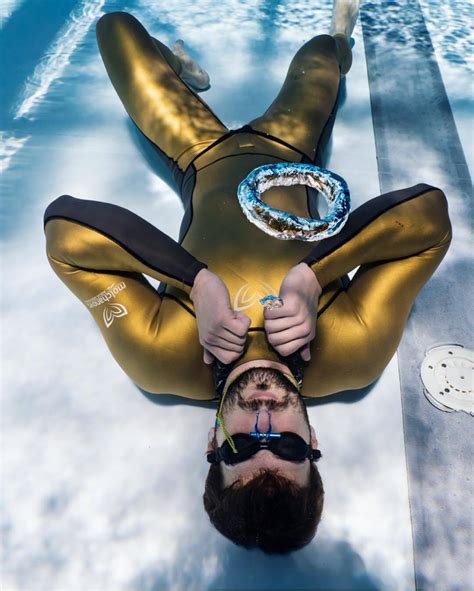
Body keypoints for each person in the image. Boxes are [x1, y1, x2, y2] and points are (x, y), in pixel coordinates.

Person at [43, 0, 452, 553]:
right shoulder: (354, 354)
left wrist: (198, 283)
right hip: (291, 145)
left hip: (199, 152)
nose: (264, 416)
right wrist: (312, 275)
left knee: (114, 28)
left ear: (213, 443)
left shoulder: (161, 358)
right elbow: (428, 218)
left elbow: (66, 233)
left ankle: (182, 73)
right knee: (321, 53)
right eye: (285, 448)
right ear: (312, 441)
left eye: (240, 450)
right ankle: (340, 34)